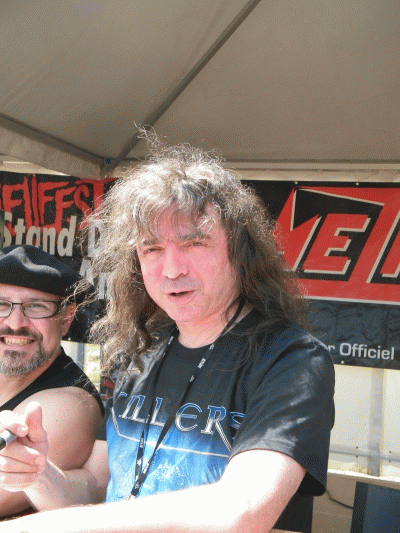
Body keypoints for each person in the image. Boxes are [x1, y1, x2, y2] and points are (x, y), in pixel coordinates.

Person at [2, 139, 334, 533]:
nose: (172, 269)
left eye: (194, 243)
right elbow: (94, 486)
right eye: (152, 249)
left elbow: (241, 512)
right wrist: (37, 473)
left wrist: (40, 527)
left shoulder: (291, 359)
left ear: (241, 253)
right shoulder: (140, 352)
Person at [0, 244, 104, 520]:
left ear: (66, 318)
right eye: (1, 305)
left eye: (36, 306)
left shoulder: (68, 404)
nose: (15, 323)